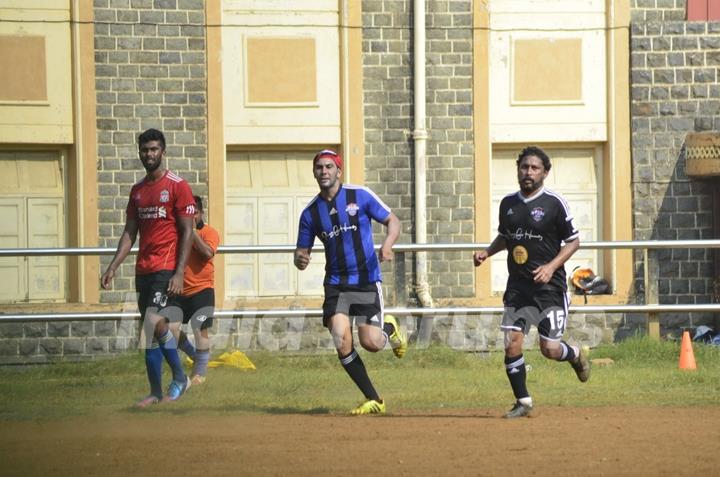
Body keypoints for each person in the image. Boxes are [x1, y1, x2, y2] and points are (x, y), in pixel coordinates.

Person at [472, 145, 590, 418]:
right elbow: (506, 236)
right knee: (512, 342)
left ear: (545, 173)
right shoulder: (508, 204)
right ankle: (523, 402)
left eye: (535, 168)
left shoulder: (554, 203)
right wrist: (487, 253)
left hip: (550, 288)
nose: (528, 172)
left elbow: (574, 242)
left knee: (549, 349)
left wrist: (550, 267)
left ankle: (573, 354)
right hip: (518, 287)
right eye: (524, 167)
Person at [294, 149, 407, 415]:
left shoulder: (360, 195)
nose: (324, 171)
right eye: (319, 167)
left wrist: (388, 245)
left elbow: (393, 220)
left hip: (366, 280)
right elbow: (302, 251)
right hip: (336, 284)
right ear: (314, 172)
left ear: (339, 171)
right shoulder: (310, 213)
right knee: (341, 339)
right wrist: (300, 259)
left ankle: (388, 330)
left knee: (371, 343)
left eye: (329, 167)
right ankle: (375, 399)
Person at [101, 128, 194, 407]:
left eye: (154, 149)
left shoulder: (178, 185)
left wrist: (179, 272)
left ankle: (179, 377)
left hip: (167, 268)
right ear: (140, 152)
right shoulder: (137, 191)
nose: (149, 154)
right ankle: (155, 392)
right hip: (144, 270)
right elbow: (130, 232)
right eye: (145, 150)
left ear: (163, 152)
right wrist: (113, 266)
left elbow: (187, 232)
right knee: (152, 329)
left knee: (154, 323)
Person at [175, 195, 220, 385]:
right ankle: (195, 355)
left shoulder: (209, 233)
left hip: (202, 290)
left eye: (193, 213)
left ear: (200, 213)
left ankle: (199, 374)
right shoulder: (176, 233)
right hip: (178, 290)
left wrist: (191, 232)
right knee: (167, 329)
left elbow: (207, 254)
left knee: (199, 330)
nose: (190, 216)